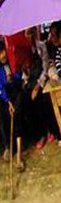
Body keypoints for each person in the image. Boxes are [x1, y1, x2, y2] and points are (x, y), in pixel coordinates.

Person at [0, 41, 22, 170]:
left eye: (3, 51)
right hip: (5, 97)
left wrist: (13, 77)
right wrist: (7, 101)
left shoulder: (12, 61)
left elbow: (19, 78)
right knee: (4, 116)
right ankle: (9, 146)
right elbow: (0, 88)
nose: (2, 55)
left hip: (17, 93)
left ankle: (19, 154)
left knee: (17, 114)